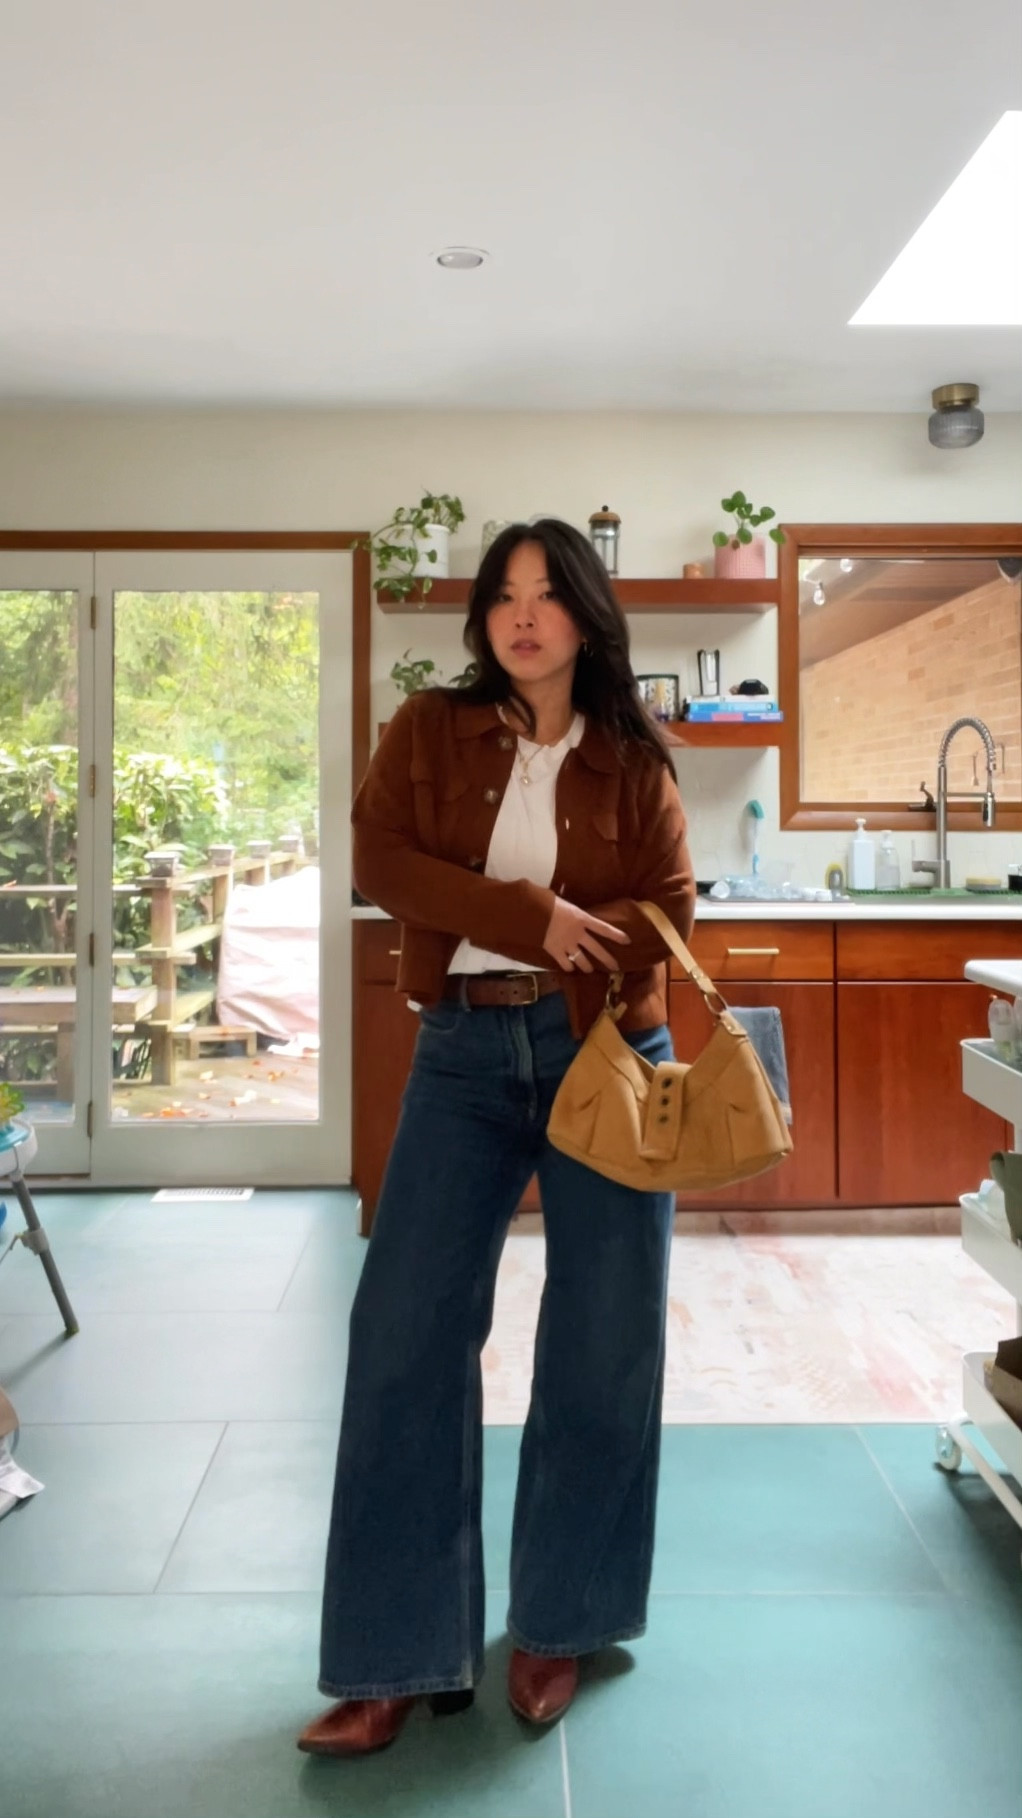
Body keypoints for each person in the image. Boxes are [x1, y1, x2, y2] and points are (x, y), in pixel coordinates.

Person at [298, 518, 695, 1758]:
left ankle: (558, 1624)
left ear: (584, 616)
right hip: (463, 1054)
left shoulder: (631, 755)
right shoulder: (427, 728)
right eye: (502, 597)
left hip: (606, 1059)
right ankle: (390, 1656)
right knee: (403, 1332)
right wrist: (531, 917)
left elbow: (671, 912)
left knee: (602, 1339)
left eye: (546, 595)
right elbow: (380, 858)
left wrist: (594, 937)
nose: (522, 616)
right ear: (483, 621)